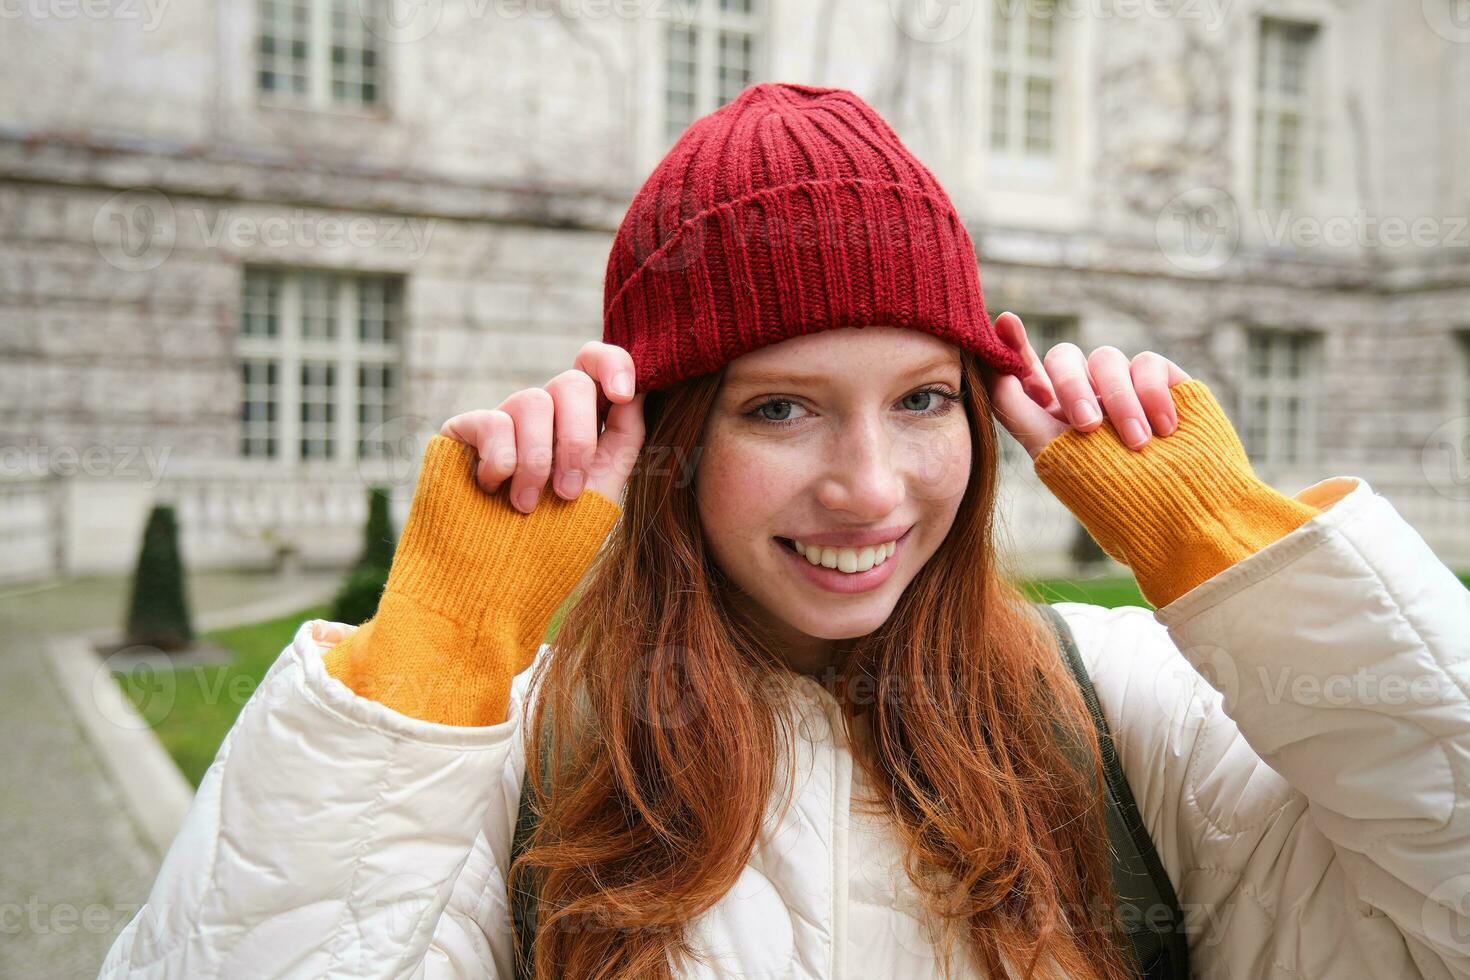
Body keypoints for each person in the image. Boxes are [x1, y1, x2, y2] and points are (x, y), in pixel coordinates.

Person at [100, 83, 1470, 980]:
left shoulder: (1122, 709)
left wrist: (1235, 549)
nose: (870, 489)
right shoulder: (514, 752)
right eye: (781, 410)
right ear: (670, 440)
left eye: (922, 398)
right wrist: (430, 655)